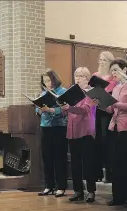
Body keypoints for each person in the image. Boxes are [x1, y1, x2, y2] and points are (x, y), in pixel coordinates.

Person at [105, 58, 127, 208]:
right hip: (114, 126)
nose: (113, 73)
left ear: (125, 70)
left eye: (115, 70)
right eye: (111, 70)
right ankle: (117, 196)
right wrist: (102, 103)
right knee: (115, 164)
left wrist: (115, 103)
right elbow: (110, 109)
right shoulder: (116, 87)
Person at [63, 67, 98, 203]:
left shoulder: (90, 92)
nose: (78, 78)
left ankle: (91, 191)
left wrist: (69, 108)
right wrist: (64, 107)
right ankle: (78, 191)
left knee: (88, 163)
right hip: (72, 130)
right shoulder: (72, 91)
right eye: (76, 76)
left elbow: (85, 110)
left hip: (85, 131)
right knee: (75, 163)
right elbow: (67, 111)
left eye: (82, 76)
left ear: (88, 78)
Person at [36, 69, 68, 197]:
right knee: (47, 157)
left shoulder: (63, 92)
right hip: (45, 127)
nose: (47, 83)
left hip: (59, 127)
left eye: (48, 80)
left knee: (59, 158)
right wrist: (39, 110)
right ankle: (49, 186)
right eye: (44, 81)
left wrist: (50, 110)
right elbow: (37, 109)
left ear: (54, 79)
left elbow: (65, 110)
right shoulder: (43, 93)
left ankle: (61, 186)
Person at [93, 51, 116, 183]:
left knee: (107, 142)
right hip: (95, 111)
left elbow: (112, 98)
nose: (101, 62)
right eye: (100, 60)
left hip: (107, 113)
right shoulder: (95, 76)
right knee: (97, 143)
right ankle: (98, 173)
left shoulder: (112, 78)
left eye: (104, 60)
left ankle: (109, 172)